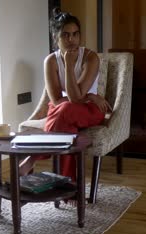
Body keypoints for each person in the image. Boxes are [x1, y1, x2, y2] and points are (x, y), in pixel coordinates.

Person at [19, 8, 112, 183]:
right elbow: (55, 99)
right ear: (56, 38)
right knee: (66, 125)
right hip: (63, 108)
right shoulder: (51, 61)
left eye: (75, 34)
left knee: (66, 108)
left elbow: (76, 99)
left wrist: (69, 66)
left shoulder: (90, 58)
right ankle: (68, 187)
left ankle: (32, 158)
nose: (71, 40)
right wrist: (90, 95)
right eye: (65, 35)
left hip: (91, 110)